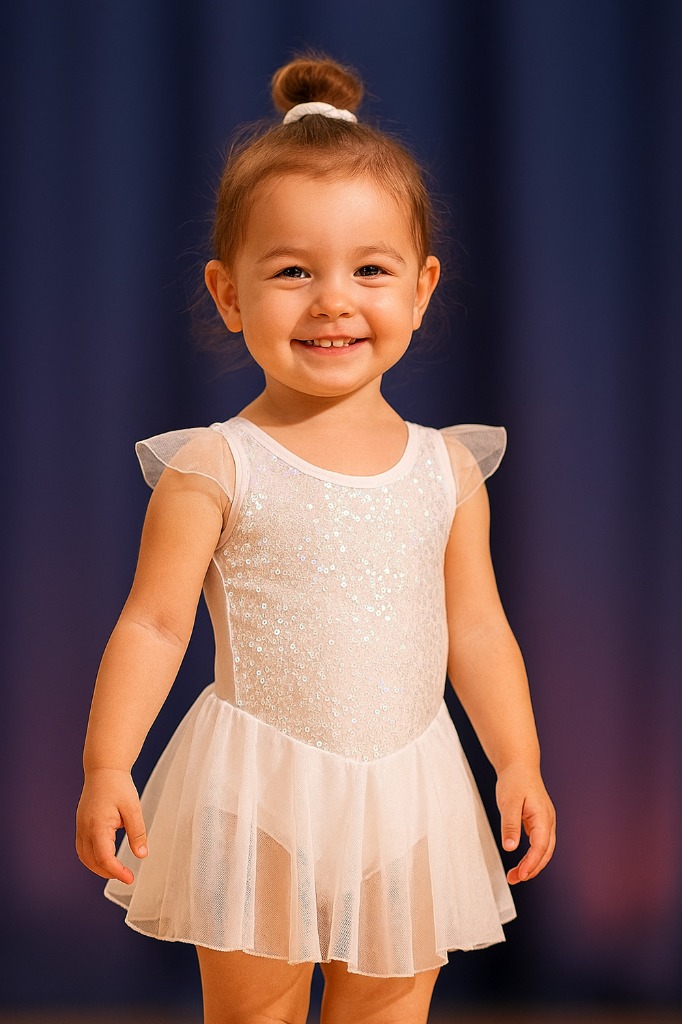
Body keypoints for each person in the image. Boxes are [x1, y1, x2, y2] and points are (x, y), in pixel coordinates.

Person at [75, 54, 556, 1024]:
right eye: (293, 271)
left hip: (410, 792)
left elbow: (476, 628)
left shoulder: (446, 471)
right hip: (257, 795)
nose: (333, 299)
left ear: (421, 288)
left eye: (369, 270)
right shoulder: (216, 466)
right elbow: (154, 625)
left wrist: (518, 759)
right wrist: (106, 764)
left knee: (387, 1010)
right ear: (228, 293)